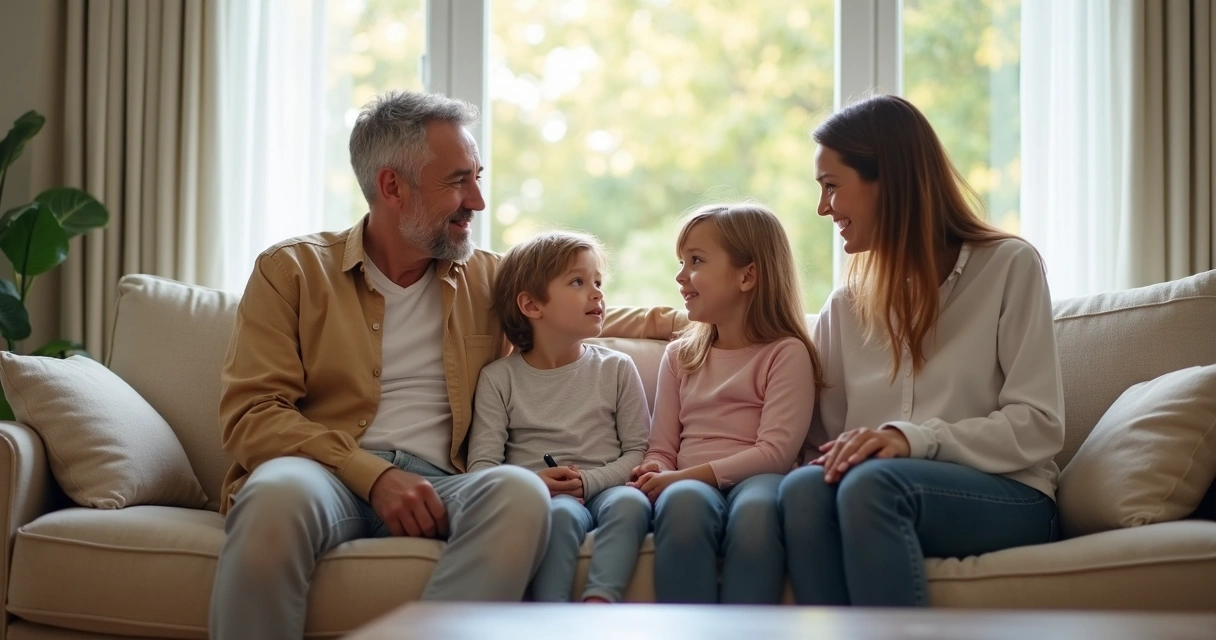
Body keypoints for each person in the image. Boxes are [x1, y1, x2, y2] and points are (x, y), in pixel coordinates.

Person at [210, 90, 681, 639]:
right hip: (327, 476)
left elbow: (570, 307)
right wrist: (374, 475)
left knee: (519, 491)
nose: (478, 200)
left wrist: (695, 322)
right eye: (459, 181)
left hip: (447, 486)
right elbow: (251, 416)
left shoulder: (486, 275)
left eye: (477, 176)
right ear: (392, 186)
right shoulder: (291, 272)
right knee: (274, 495)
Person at [779, 94, 1065, 607]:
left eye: (831, 187)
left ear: (887, 180)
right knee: (802, 492)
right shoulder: (846, 304)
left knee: (873, 487)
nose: (823, 208)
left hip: (1007, 494)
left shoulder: (1008, 267)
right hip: (876, 491)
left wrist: (913, 440)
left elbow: (1039, 424)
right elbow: (823, 442)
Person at [628, 203, 823, 604]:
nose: (680, 276)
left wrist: (684, 476)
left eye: (695, 261)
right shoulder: (680, 356)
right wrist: (656, 469)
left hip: (761, 480)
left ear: (747, 275)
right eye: (681, 262)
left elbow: (774, 453)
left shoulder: (785, 353)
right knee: (681, 506)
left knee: (756, 515)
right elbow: (663, 448)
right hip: (687, 486)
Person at [467, 230, 652, 604]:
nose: (597, 293)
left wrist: (590, 481)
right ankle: (551, 616)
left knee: (633, 504)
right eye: (578, 282)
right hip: (547, 499)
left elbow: (639, 451)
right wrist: (537, 482)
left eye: (598, 281)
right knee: (564, 514)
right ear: (532, 306)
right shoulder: (498, 378)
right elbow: (482, 468)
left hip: (609, 487)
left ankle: (599, 603)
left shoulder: (617, 368)